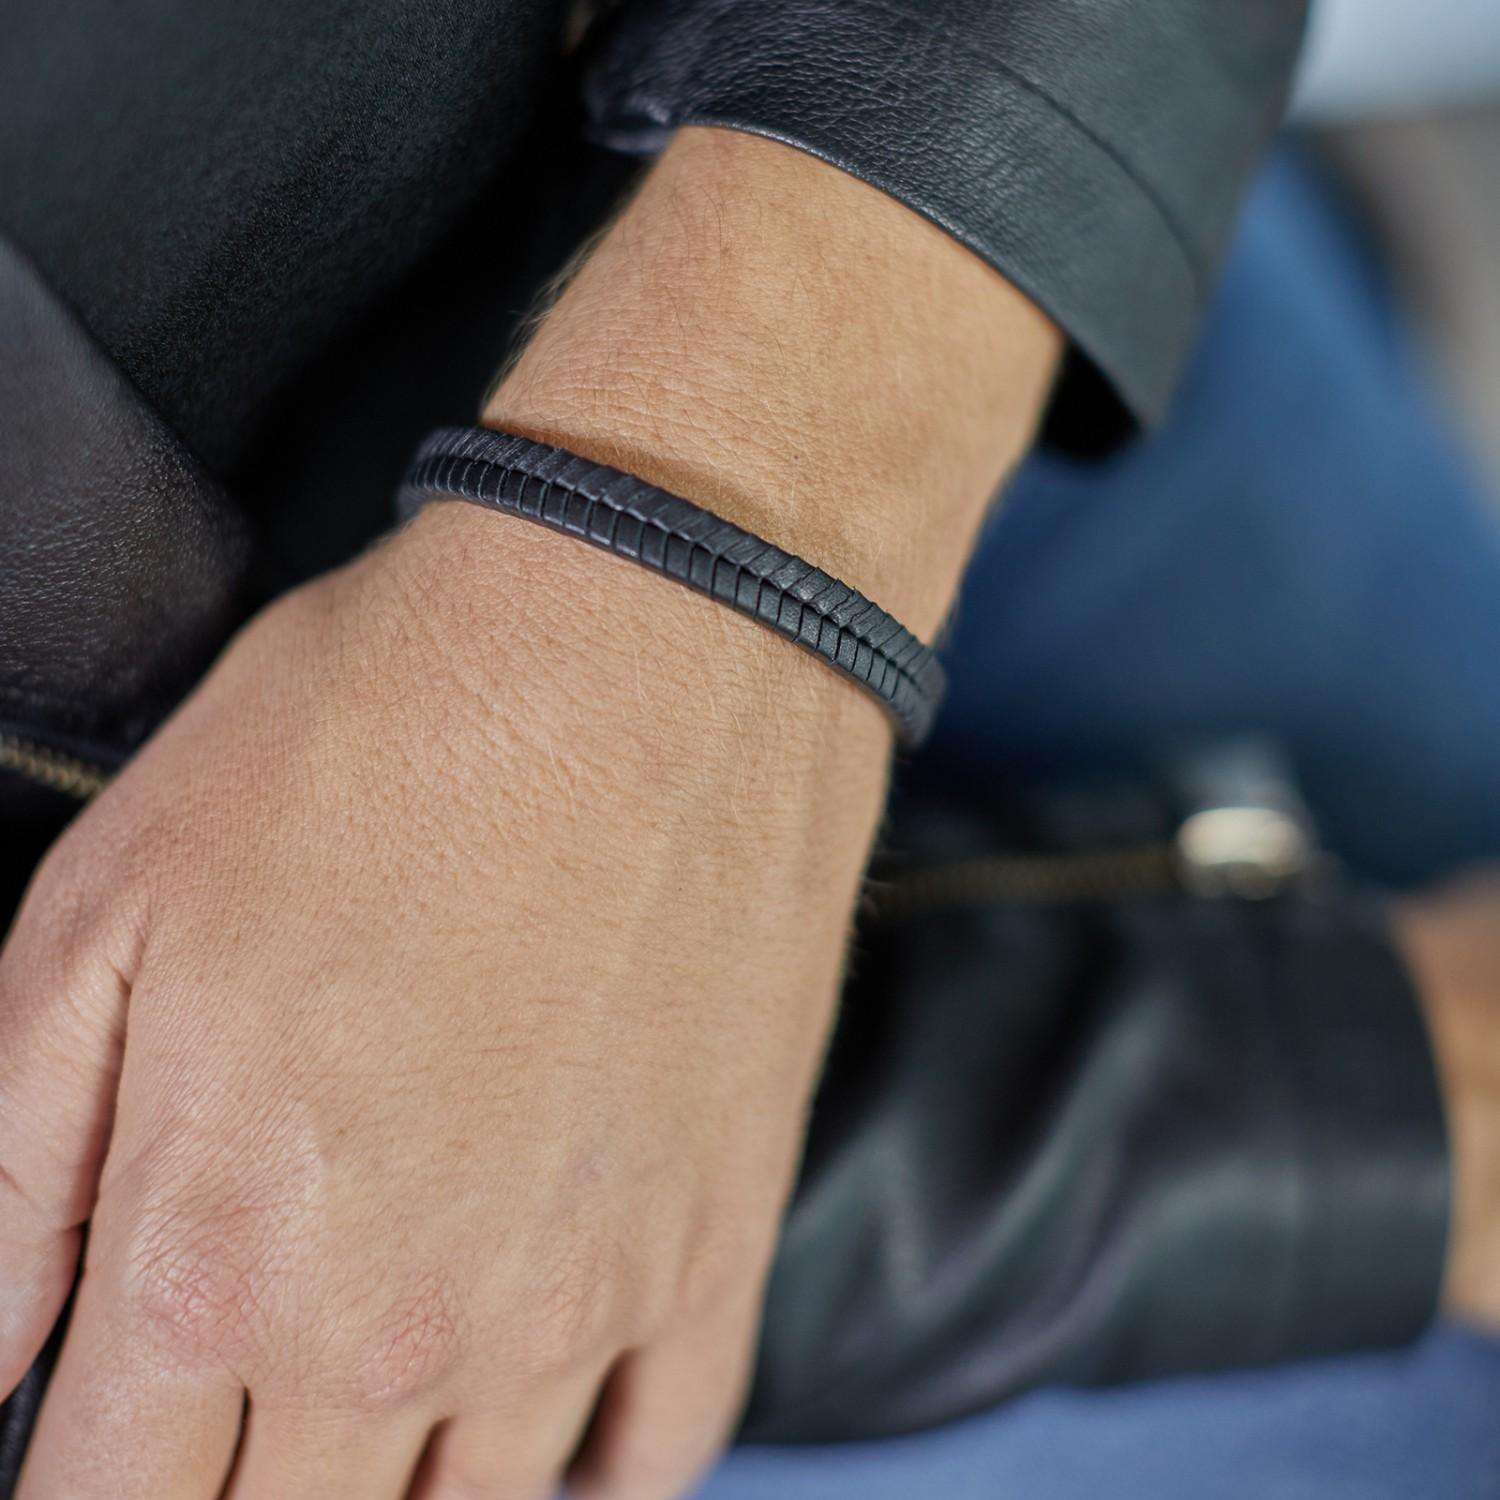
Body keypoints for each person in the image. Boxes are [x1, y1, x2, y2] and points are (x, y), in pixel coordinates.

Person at [0, 2, 1486, 1496]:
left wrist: (750, 469)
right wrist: (1362, 1108)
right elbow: (225, 1294)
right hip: (673, 1294)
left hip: (786, 163)